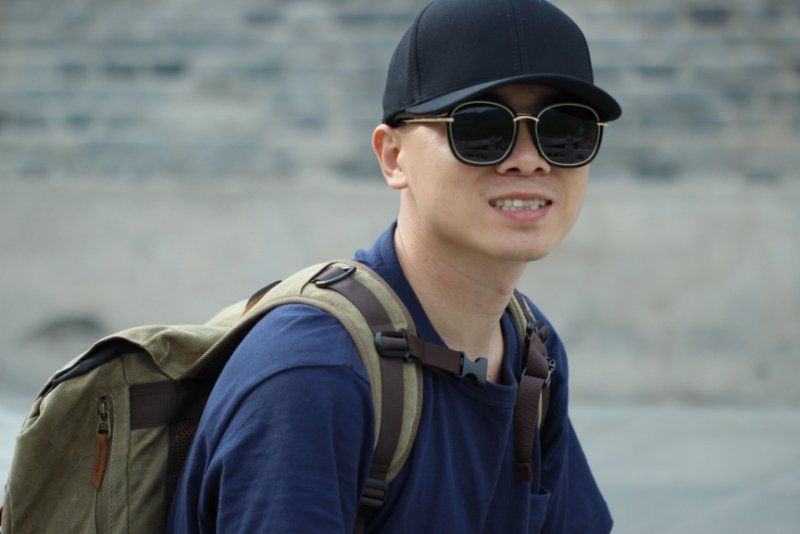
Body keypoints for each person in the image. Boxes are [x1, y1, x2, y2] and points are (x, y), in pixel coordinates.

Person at [168, 0, 621, 532]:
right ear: (393, 157)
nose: (529, 159)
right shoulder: (313, 375)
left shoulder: (531, 348)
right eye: (480, 128)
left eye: (566, 129)